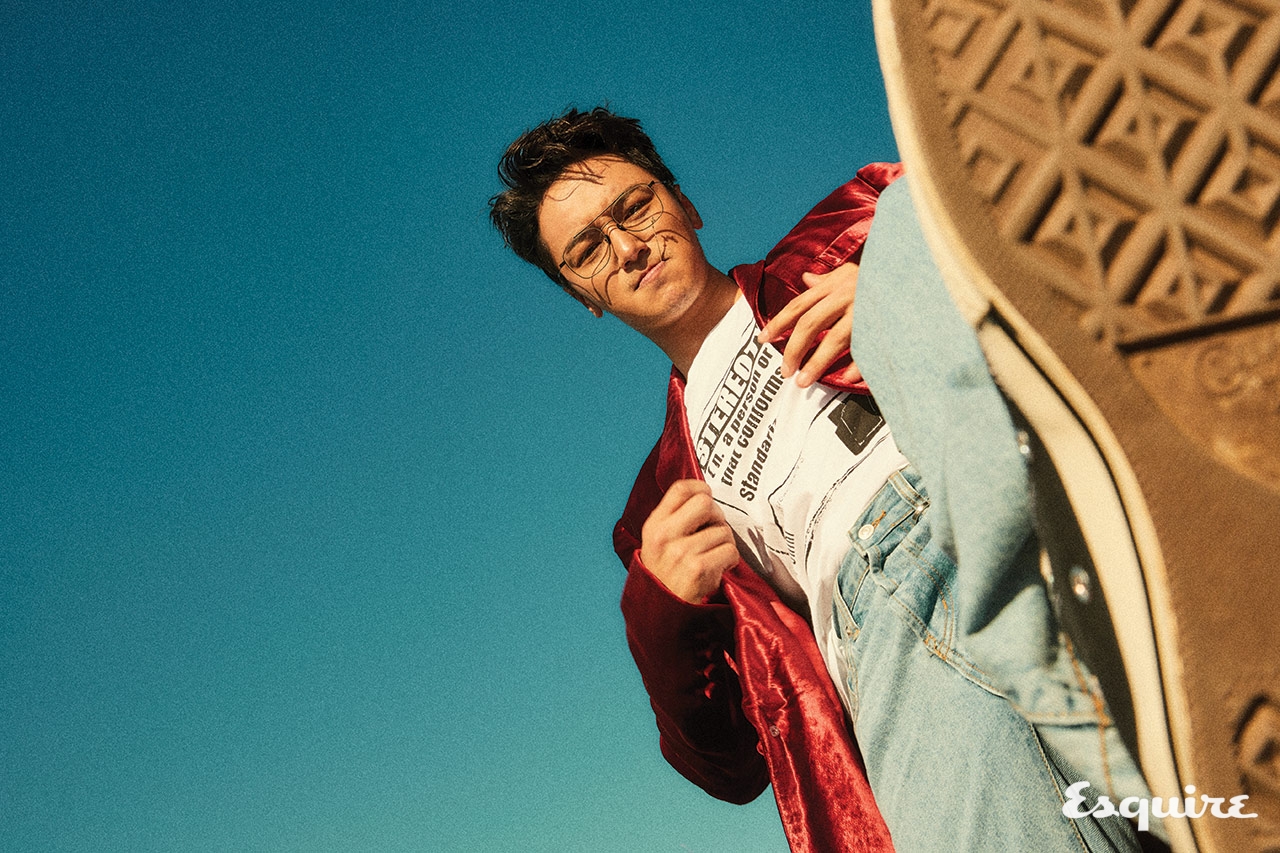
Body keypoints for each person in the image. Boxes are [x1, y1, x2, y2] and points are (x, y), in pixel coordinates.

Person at [489, 107, 1162, 852]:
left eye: (635, 207)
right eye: (588, 248)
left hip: (998, 495)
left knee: (920, 209)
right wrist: (662, 612)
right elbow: (728, 767)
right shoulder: (658, 509)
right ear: (582, 295)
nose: (626, 247)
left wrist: (903, 278)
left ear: (686, 204)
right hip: (887, 646)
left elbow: (1044, 209)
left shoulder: (846, 232)